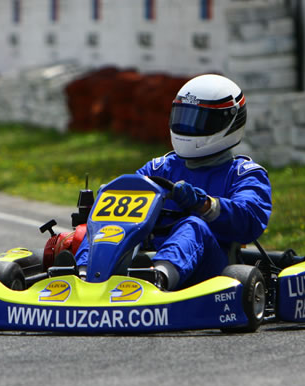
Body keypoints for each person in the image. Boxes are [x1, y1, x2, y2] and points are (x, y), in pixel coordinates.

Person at [74, 73, 272, 290]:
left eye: (198, 120)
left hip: (211, 270)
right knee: (105, 225)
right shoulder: (159, 168)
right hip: (146, 254)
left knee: (193, 224)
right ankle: (82, 276)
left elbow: (249, 222)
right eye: (184, 117)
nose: (188, 127)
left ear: (229, 120)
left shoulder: (244, 173)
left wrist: (204, 205)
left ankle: (158, 280)